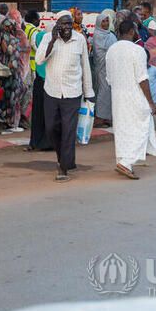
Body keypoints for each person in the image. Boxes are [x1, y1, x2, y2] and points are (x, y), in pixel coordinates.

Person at [36, 11, 94, 182]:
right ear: (57, 25)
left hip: (73, 92)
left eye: (69, 24)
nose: (67, 27)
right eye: (63, 24)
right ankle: (65, 158)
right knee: (51, 128)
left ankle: (63, 167)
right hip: (52, 91)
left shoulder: (80, 40)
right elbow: (39, 60)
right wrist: (53, 40)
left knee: (69, 130)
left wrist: (89, 92)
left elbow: (85, 66)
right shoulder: (48, 38)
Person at [105, 20, 156, 180]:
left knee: (122, 129)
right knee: (141, 127)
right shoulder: (138, 50)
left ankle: (123, 160)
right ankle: (126, 162)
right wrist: (150, 102)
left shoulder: (111, 50)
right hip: (135, 96)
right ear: (132, 31)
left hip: (117, 96)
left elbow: (109, 78)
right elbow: (142, 78)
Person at [27, 15, 53, 152]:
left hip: (39, 81)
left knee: (37, 115)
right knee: (49, 114)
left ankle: (35, 141)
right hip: (50, 83)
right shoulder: (52, 46)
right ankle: (47, 142)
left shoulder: (39, 40)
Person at [91, 9, 116, 126]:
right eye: (103, 21)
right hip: (100, 68)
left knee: (109, 91)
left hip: (110, 68)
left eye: (107, 21)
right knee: (102, 91)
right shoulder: (97, 35)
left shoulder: (111, 35)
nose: (105, 23)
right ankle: (100, 116)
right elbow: (99, 52)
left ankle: (107, 116)